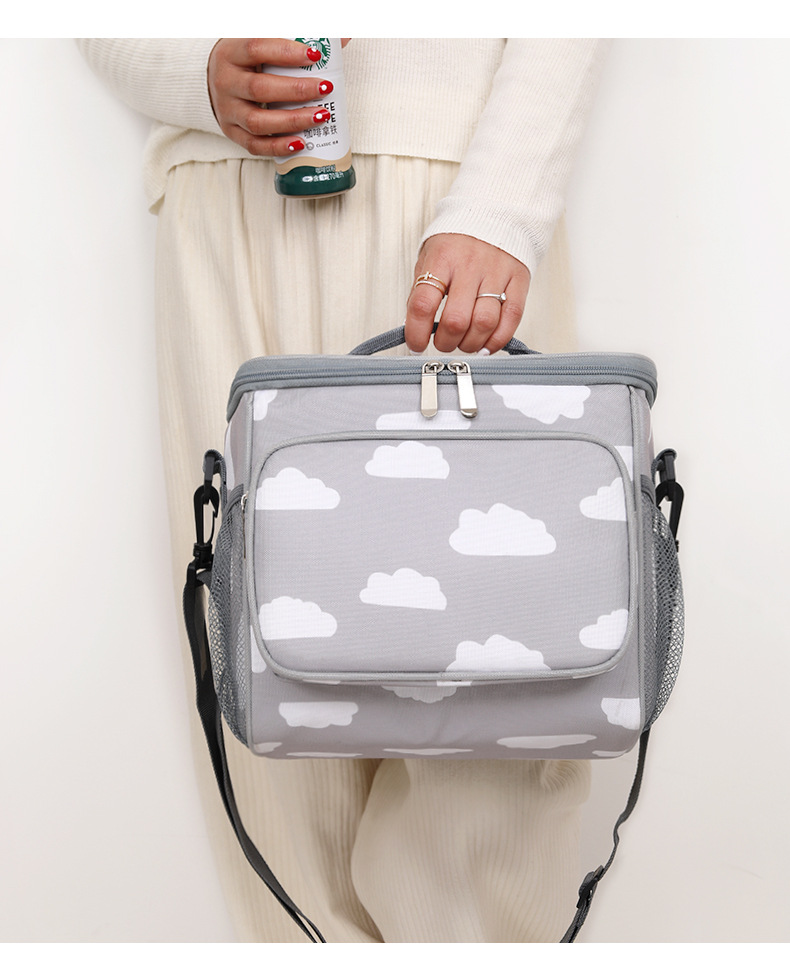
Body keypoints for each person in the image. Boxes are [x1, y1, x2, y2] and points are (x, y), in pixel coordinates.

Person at [78, 37, 608, 943]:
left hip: (444, 196)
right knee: (271, 703)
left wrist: (502, 205)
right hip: (224, 202)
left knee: (501, 682)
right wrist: (193, 73)